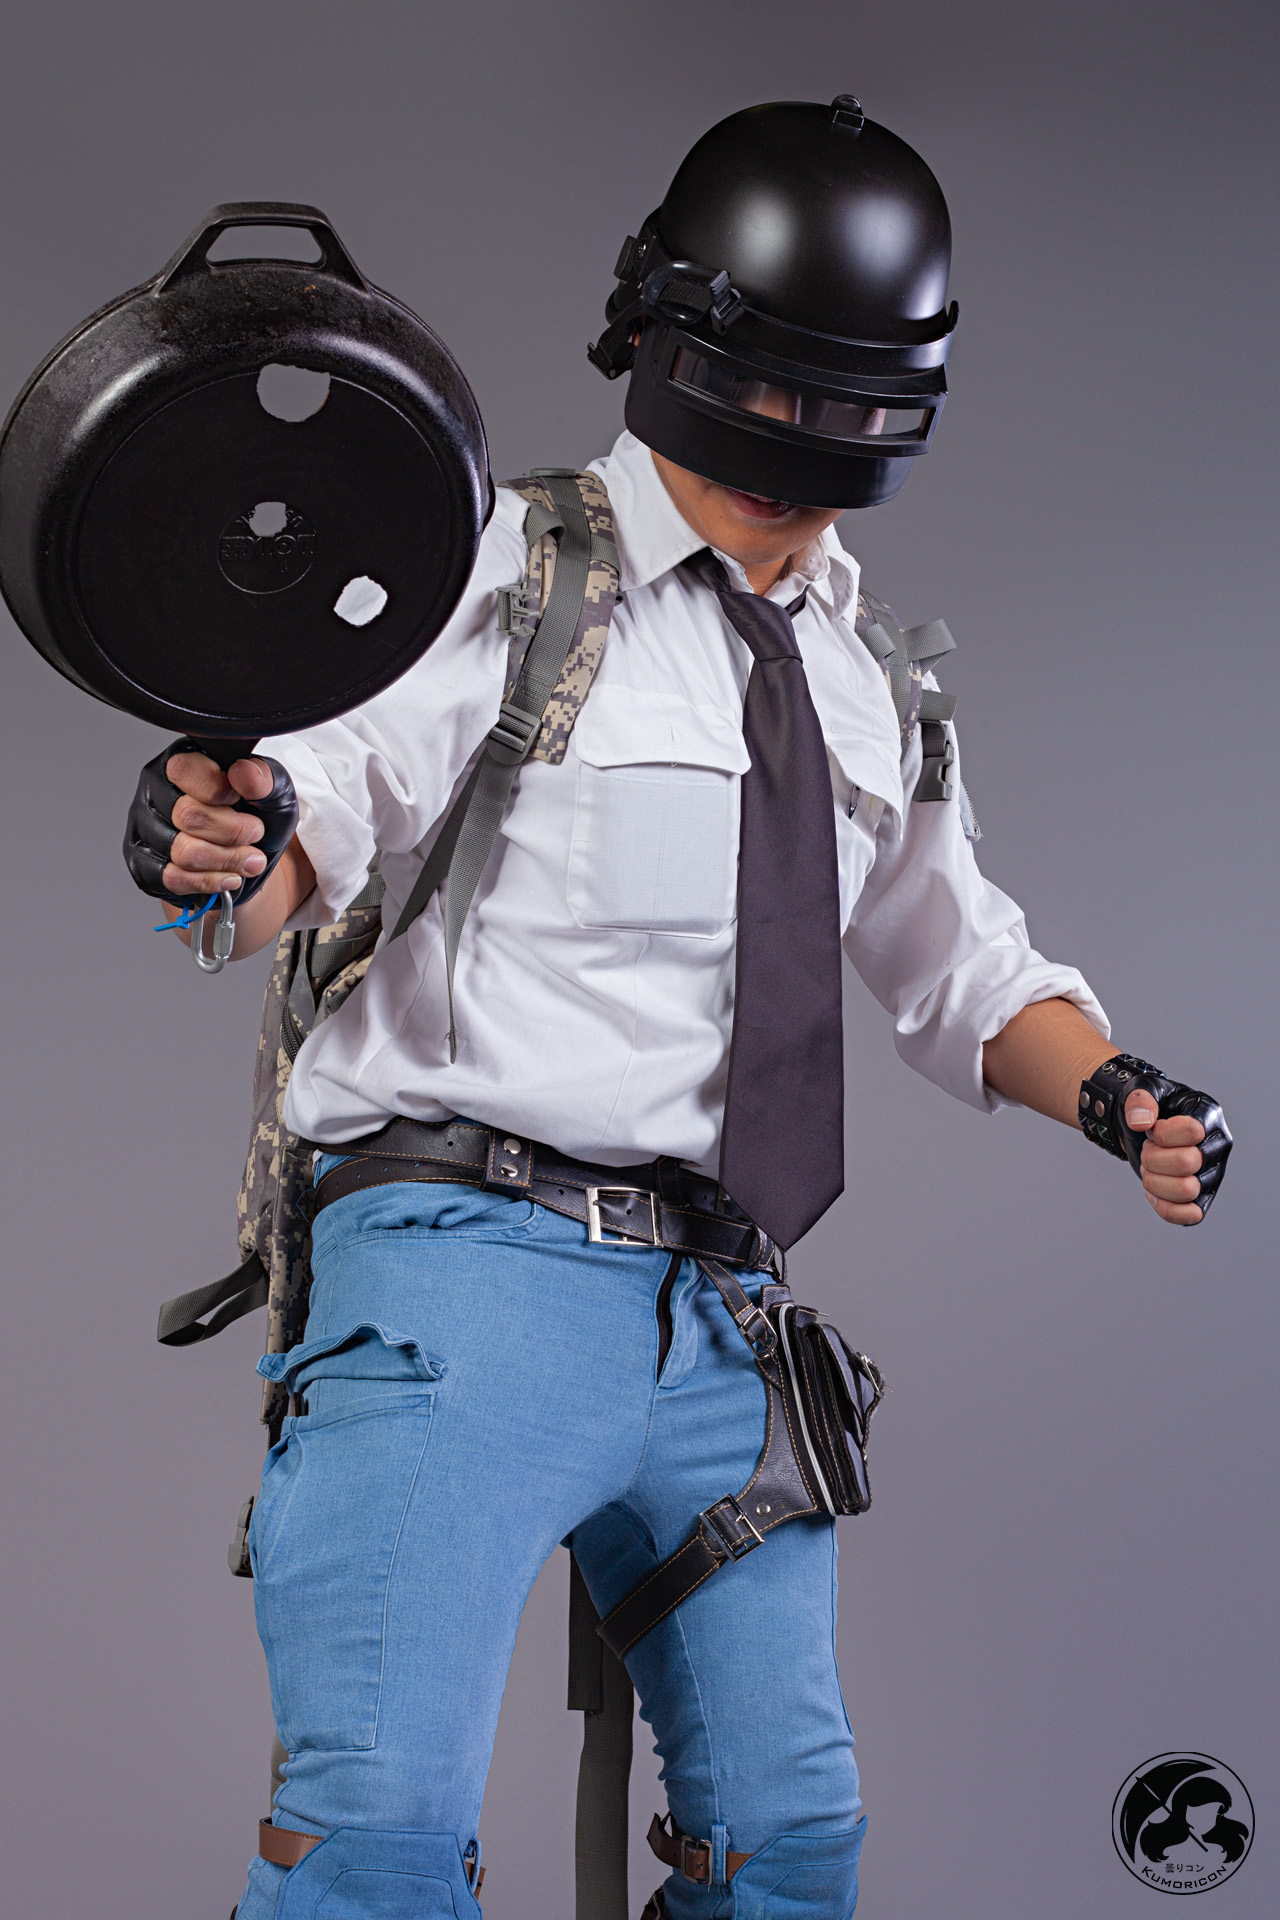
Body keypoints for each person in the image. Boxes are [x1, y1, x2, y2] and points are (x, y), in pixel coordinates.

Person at [127, 98, 1230, 1920]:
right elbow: (321, 805)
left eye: (841, 408)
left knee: (785, 1844)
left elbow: (956, 961)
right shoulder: (502, 576)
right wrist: (220, 845)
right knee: (377, 1832)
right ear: (661, 341)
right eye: (762, 389)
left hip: (718, 1312)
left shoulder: (871, 681)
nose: (790, 449)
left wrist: (1119, 1097)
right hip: (465, 1268)